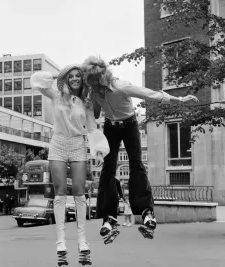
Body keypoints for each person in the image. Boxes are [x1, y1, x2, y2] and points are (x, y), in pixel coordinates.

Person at [81, 55, 198, 241]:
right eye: (91, 83)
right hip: (111, 127)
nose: (94, 86)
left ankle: (146, 211)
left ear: (103, 77)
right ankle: (109, 217)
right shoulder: (94, 92)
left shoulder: (121, 86)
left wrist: (180, 100)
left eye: (96, 82)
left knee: (136, 164)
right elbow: (95, 113)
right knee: (107, 169)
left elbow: (150, 94)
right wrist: (89, 103)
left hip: (129, 124)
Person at [30, 64, 109, 265]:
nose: (74, 79)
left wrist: (98, 151)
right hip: (57, 143)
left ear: (83, 80)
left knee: (80, 193)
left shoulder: (87, 102)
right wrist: (60, 75)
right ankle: (61, 242)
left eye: (78, 76)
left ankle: (82, 241)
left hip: (77, 144)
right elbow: (37, 80)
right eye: (71, 76)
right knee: (60, 192)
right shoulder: (57, 95)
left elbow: (91, 127)